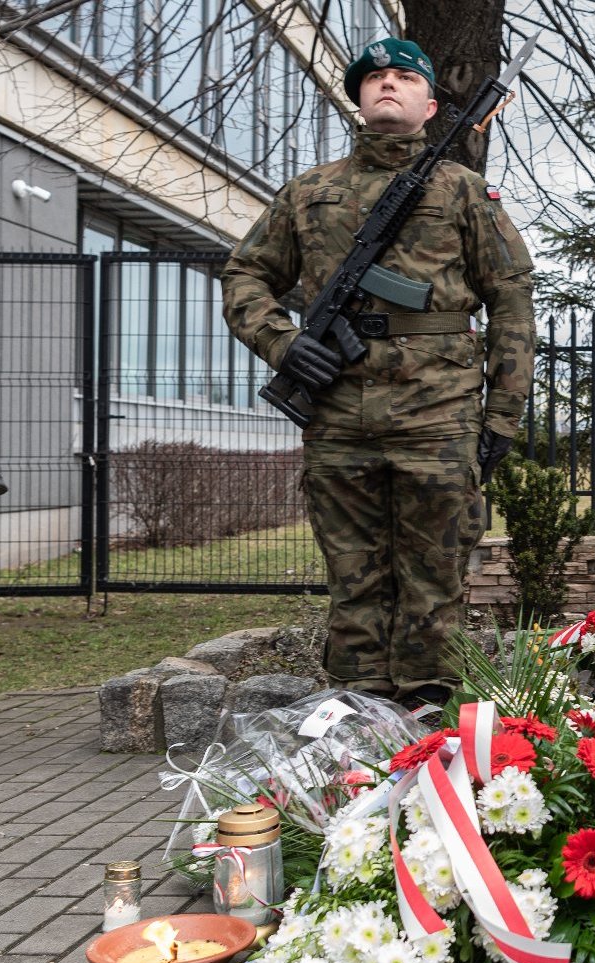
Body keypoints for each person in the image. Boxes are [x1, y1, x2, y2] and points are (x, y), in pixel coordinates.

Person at [222, 38, 536, 709]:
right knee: (354, 583)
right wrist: (281, 343)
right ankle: (358, 721)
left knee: (434, 581)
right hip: (339, 419)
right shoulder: (309, 193)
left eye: (404, 77)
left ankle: (427, 718)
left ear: (430, 103)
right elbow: (246, 273)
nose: (387, 85)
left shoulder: (463, 191)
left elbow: (511, 298)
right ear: (359, 99)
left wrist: (503, 414)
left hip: (438, 419)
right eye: (375, 78)